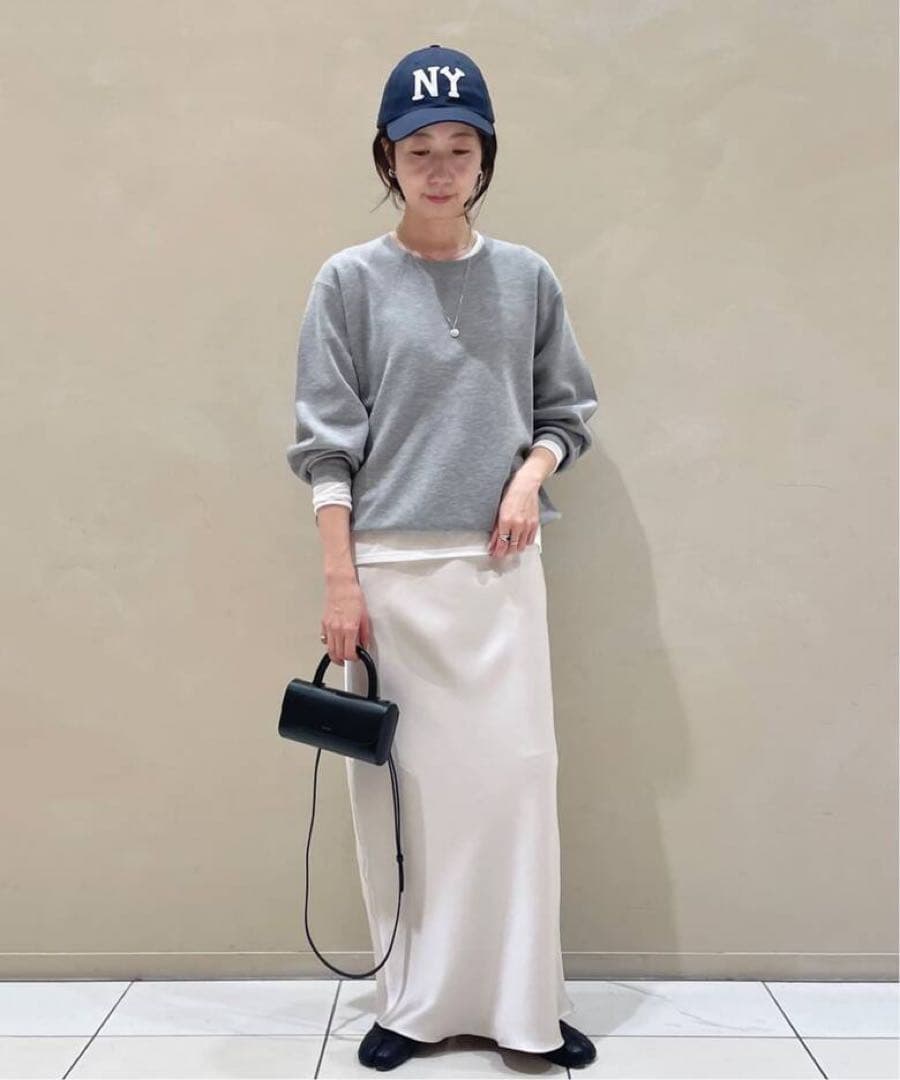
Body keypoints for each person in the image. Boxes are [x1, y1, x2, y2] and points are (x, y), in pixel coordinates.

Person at [286, 44, 599, 1072]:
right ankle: (412, 1005)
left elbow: (567, 412)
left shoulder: (527, 278)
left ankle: (525, 1008)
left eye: (461, 147)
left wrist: (528, 475)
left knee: (515, 788)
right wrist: (341, 580)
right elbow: (325, 445)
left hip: (500, 575)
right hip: (389, 576)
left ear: (486, 158)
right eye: (419, 148)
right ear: (387, 156)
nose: (440, 167)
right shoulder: (349, 281)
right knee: (406, 800)